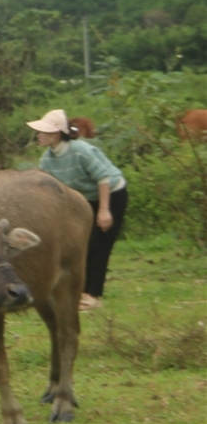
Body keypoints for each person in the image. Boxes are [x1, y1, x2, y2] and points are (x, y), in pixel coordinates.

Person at [27, 108, 127, 312]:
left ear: (56, 134)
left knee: (100, 246)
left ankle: (94, 296)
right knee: (83, 246)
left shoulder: (81, 150)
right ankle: (82, 293)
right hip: (85, 199)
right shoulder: (47, 159)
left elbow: (103, 177)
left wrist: (104, 210)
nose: (38, 135)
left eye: (43, 131)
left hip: (111, 194)